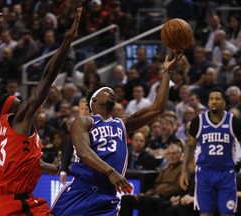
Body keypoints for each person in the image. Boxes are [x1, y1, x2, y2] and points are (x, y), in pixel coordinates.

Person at [51, 50, 182, 216]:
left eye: (112, 91)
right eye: (106, 91)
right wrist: (111, 172)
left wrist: (167, 72)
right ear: (95, 101)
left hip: (107, 196)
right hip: (80, 191)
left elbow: (157, 109)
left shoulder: (122, 122)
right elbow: (84, 152)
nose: (111, 92)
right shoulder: (84, 121)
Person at [0, 7, 82, 216]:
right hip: (17, 205)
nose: (23, 101)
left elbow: (26, 161)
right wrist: (67, 40)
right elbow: (47, 77)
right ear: (11, 109)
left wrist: (52, 167)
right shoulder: (18, 118)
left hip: (10, 203)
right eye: (18, 101)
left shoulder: (9, 131)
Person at [180, 87, 241, 216]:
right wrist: (184, 171)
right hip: (204, 174)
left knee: (227, 213)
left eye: (217, 99)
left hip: (226, 174)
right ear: (207, 103)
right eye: (211, 99)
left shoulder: (233, 122)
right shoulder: (198, 122)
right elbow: (190, 147)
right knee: (205, 214)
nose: (214, 101)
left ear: (224, 102)